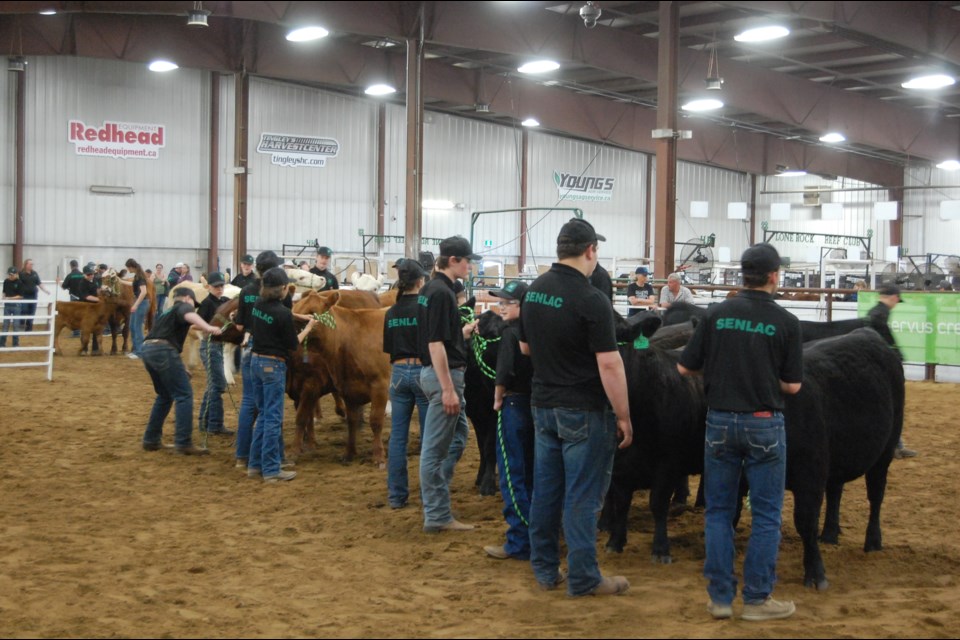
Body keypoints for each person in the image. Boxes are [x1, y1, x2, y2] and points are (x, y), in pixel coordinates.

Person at [678, 242, 802, 622]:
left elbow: (685, 368)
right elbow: (793, 385)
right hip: (764, 423)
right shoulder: (786, 322)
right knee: (765, 514)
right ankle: (757, 599)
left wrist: (720, 371)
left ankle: (719, 597)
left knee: (717, 510)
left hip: (718, 421)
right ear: (773, 276)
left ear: (741, 275)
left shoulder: (716, 314)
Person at [518, 218, 632, 597]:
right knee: (583, 497)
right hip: (583, 408)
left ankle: (546, 570)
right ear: (590, 251)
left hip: (543, 404)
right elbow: (610, 363)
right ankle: (584, 577)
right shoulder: (591, 299)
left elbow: (525, 348)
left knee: (547, 492)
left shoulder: (534, 291)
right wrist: (624, 415)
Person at [417, 236, 480, 533]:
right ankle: (437, 513)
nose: (471, 265)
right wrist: (447, 388)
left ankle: (435, 496)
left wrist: (462, 333)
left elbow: (439, 336)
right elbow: (435, 343)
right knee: (434, 450)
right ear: (453, 260)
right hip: (443, 373)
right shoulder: (441, 292)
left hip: (437, 370)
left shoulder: (430, 290)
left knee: (457, 436)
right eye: (467, 260)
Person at [247, 267, 317, 483]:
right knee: (273, 418)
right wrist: (309, 326)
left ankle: (254, 464)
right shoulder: (282, 313)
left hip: (255, 362)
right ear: (284, 289)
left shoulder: (258, 305)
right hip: (273, 366)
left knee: (263, 415)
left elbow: (278, 315)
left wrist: (297, 315)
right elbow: (293, 344)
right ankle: (271, 469)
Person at [484, 279, 535, 561]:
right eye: (500, 303)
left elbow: (502, 374)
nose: (501, 307)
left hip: (514, 404)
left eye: (507, 303)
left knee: (512, 475)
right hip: (537, 404)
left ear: (521, 306)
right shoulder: (538, 332)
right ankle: (539, 535)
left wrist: (497, 398)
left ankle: (519, 542)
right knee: (533, 474)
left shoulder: (509, 334)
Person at [140, 286, 222, 455]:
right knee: (184, 395)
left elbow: (165, 337)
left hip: (149, 350)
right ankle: (183, 442)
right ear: (186, 298)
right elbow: (189, 314)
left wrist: (181, 367)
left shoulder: (167, 313)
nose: (193, 306)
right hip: (163, 351)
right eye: (192, 302)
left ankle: (151, 439)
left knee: (165, 395)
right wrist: (208, 327)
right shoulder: (183, 306)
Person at [383, 258, 431, 509]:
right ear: (421, 281)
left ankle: (396, 496)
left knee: (397, 437)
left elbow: (388, 348)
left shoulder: (391, 312)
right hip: (422, 371)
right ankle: (426, 496)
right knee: (428, 437)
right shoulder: (425, 308)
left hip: (399, 372)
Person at [866, 285, 918, 459]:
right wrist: (895, 354)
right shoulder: (880, 316)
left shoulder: (875, 313)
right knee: (891, 407)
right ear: (894, 298)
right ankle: (894, 446)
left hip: (872, 367)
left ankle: (895, 444)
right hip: (878, 370)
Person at [196, 272, 233, 437]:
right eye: (216, 286)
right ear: (209, 287)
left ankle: (204, 421)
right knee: (218, 385)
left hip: (217, 346)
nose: (219, 289)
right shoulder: (206, 304)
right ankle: (215, 424)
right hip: (210, 345)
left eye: (221, 286)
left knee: (213, 384)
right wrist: (211, 328)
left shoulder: (225, 302)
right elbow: (196, 325)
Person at [125, 258, 150, 360]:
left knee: (137, 327)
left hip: (141, 303)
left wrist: (135, 305)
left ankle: (140, 352)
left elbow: (143, 292)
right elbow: (133, 284)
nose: (127, 270)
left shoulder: (140, 277)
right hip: (138, 303)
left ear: (131, 267)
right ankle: (136, 350)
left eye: (127, 268)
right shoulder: (137, 276)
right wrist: (120, 281)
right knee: (132, 326)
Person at [18, 259, 49, 333]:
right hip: (24, 296)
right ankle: (21, 324)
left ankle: (29, 328)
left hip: (34, 295)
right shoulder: (21, 274)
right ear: (26, 265)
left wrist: (45, 290)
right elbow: (17, 284)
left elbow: (39, 283)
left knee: (32, 312)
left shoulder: (35, 273)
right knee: (24, 310)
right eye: (30, 264)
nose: (32, 265)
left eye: (32, 264)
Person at [1, 267, 23, 348]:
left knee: (16, 325)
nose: (10, 276)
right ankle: (2, 343)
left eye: (12, 275)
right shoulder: (6, 281)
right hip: (7, 305)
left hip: (16, 305)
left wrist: (9, 298)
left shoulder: (19, 282)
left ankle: (15, 343)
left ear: (15, 274)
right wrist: (3, 298)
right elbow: (4, 292)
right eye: (9, 274)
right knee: (5, 325)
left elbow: (20, 296)